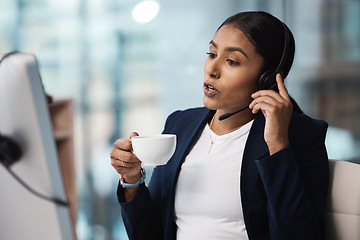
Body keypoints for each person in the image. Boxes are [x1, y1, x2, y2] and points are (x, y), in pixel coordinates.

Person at [110, 11, 329, 240]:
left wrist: (277, 144)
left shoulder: (300, 134)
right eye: (211, 53)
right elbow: (149, 234)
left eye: (232, 61)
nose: (212, 70)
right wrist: (132, 179)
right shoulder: (180, 125)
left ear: (269, 78)